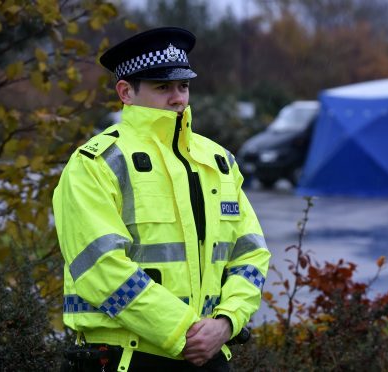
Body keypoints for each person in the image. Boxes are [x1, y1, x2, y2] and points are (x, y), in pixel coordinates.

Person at [53, 27, 271, 371]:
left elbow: (252, 253)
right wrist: (184, 331)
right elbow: (100, 268)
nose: (178, 98)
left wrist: (228, 321)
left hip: (210, 354)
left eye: (183, 86)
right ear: (125, 92)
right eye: (162, 87)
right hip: (126, 359)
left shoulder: (218, 161)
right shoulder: (95, 164)